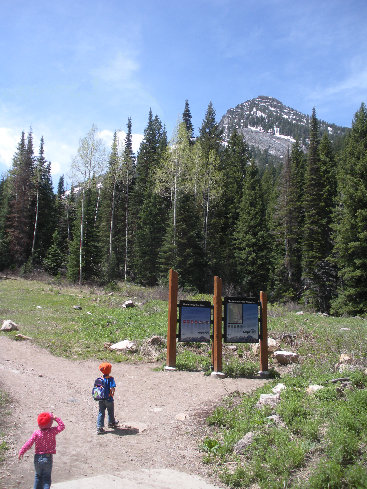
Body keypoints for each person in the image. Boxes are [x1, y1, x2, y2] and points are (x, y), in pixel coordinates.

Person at [18, 412, 65, 489]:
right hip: (48, 458)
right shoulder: (52, 431)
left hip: (38, 458)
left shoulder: (37, 433)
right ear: (50, 424)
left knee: (38, 476)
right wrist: (56, 418)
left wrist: (22, 451)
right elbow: (62, 426)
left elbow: (29, 443)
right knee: (46, 478)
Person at [96, 362, 119, 434]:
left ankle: (99, 427)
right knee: (110, 411)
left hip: (101, 399)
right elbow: (112, 388)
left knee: (101, 412)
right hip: (109, 399)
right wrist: (112, 392)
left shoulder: (100, 379)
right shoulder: (111, 379)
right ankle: (111, 422)